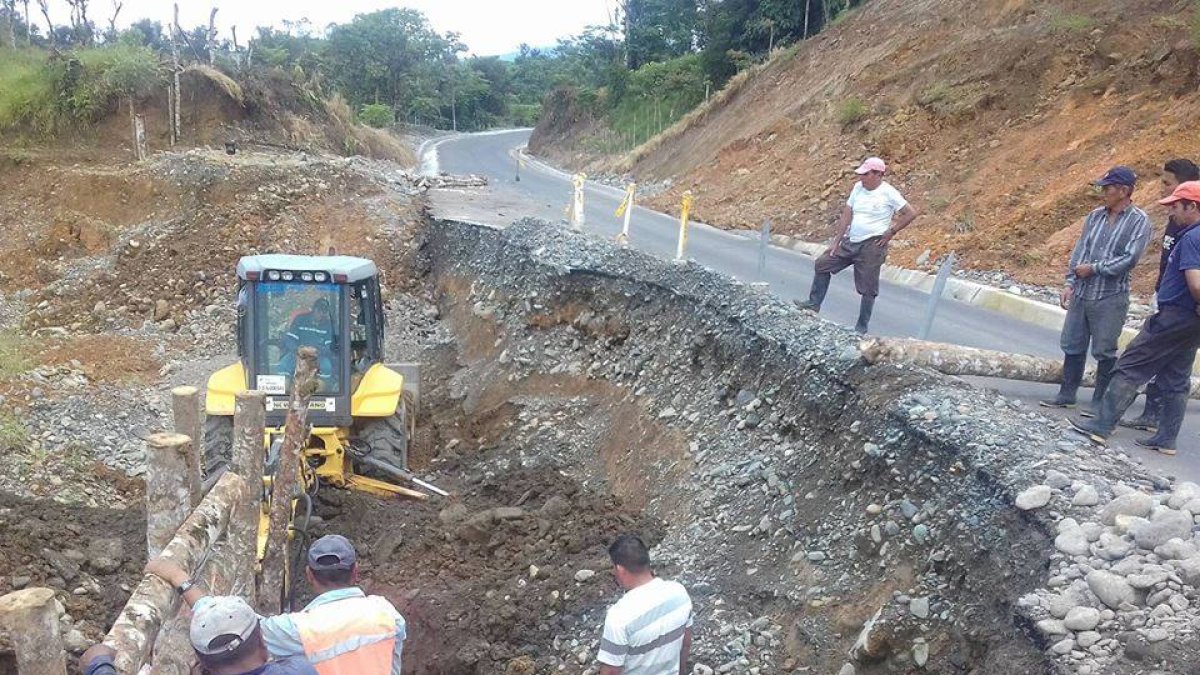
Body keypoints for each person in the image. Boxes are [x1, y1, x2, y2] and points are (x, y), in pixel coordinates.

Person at [147, 535, 406, 675]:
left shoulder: (294, 629)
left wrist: (180, 579)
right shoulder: (388, 614)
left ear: (309, 575)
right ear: (356, 571)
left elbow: (229, 625)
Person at [1069, 180, 1200, 455]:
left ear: (1193, 206)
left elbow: (1196, 284)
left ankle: (1101, 426)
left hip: (1175, 316)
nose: (1171, 212)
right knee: (1176, 377)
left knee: (1130, 365)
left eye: (1176, 206)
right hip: (1192, 321)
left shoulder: (1192, 238)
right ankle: (1166, 439)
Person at [1040, 166, 1150, 415]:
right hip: (1082, 291)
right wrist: (1070, 282)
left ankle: (1100, 402)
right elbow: (1081, 250)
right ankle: (1067, 394)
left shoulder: (1139, 221)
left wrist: (1094, 268)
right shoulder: (1095, 216)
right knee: (1073, 343)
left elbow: (1130, 258)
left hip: (1110, 295)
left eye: (1108, 188)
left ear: (1124, 190)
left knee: (1104, 349)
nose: (1104, 193)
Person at [796, 156, 919, 334]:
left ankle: (861, 327)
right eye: (861, 174)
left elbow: (910, 213)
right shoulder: (858, 188)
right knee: (823, 263)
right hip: (852, 240)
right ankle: (814, 303)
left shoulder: (888, 193)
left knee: (868, 287)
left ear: (878, 174)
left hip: (872, 244)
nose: (862, 178)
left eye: (866, 174)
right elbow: (848, 212)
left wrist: (891, 232)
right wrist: (837, 241)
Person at [1122, 158, 1200, 431]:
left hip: (1183, 308)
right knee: (1174, 369)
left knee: (1137, 361)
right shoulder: (1177, 219)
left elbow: (1194, 277)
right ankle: (1160, 427)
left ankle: (1106, 420)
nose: (1163, 189)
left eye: (1168, 183)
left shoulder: (1191, 229)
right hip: (1171, 299)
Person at [596, 535, 693, 675]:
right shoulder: (679, 593)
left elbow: (611, 672)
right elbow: (686, 643)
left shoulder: (619, 616)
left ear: (620, 570)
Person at [277, 298, 336, 379]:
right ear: (313, 309)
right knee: (283, 365)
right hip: (297, 354)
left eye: (324, 311)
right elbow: (290, 339)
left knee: (326, 367)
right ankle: (286, 386)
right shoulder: (300, 319)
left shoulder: (328, 325)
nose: (321, 314)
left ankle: (321, 387)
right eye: (319, 310)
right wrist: (298, 350)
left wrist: (316, 352)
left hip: (318, 356)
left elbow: (329, 347)